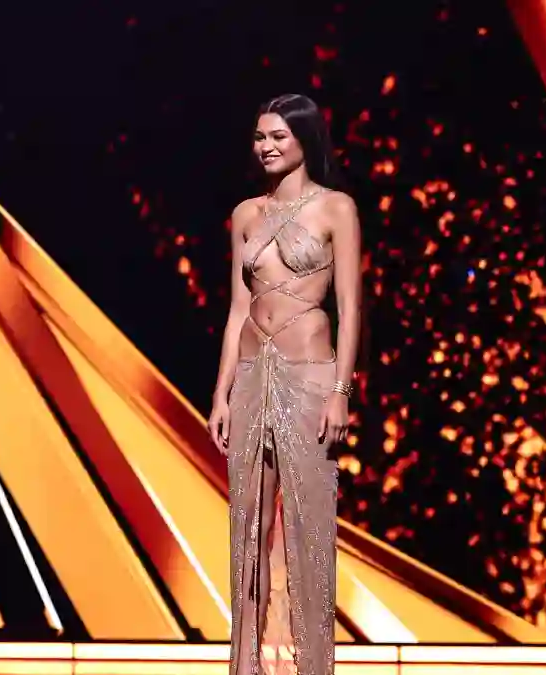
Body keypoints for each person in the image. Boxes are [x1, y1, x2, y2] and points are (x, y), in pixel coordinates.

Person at [207, 94, 362, 675]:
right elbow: (236, 308)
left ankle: (312, 668)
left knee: (308, 529)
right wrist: (221, 394)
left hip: (309, 378)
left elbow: (350, 306)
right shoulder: (247, 214)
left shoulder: (336, 209)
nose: (266, 146)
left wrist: (340, 392)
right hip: (251, 376)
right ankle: (246, 667)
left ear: (304, 140)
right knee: (249, 528)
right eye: (258, 137)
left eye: (277, 136)